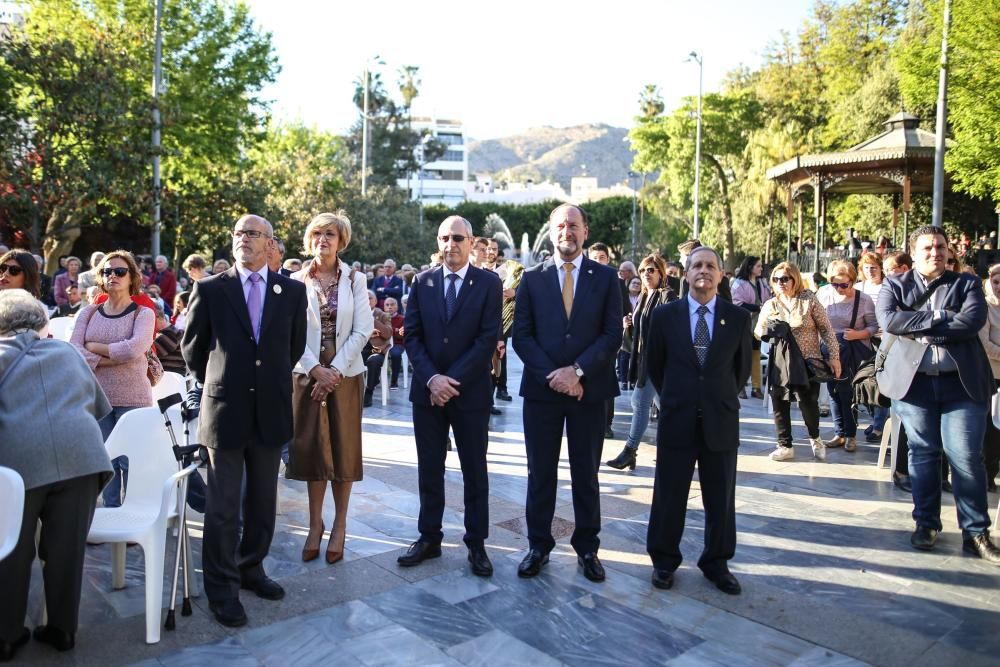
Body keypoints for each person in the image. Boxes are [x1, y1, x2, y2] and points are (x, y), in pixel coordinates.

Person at [181, 214, 308, 627]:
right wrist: (225, 380)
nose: (243, 239)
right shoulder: (211, 289)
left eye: (252, 233)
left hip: (269, 410)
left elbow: (293, 347)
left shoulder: (290, 291)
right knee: (222, 507)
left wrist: (263, 379)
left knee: (262, 503)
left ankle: (252, 568)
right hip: (225, 410)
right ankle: (222, 586)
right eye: (237, 232)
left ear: (270, 243)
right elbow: (193, 350)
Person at [0, 290, 113, 660]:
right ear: (40, 321)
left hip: (19, 463)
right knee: (66, 551)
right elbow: (98, 405)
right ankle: (63, 629)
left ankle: (7, 633)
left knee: (12, 551)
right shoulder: (66, 352)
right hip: (82, 457)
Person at [876, 225, 1000, 563]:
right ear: (913, 253)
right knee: (923, 454)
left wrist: (922, 325)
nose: (936, 253)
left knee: (965, 457)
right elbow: (889, 321)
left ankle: (976, 532)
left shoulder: (967, 283)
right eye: (928, 248)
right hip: (914, 385)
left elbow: (971, 322)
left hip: (962, 385)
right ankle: (926, 524)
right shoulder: (894, 284)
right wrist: (942, 317)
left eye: (941, 247)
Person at [513, 204, 622, 582]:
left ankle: (588, 548)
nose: (567, 232)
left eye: (573, 225)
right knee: (539, 473)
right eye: (560, 225)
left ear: (585, 231)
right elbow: (522, 337)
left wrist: (577, 372)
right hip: (543, 393)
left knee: (586, 475)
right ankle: (538, 545)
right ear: (551, 231)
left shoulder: (607, 279)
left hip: (588, 393)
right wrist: (554, 376)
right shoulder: (531, 278)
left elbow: (612, 335)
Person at [398, 215, 501, 577]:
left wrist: (450, 380)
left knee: (475, 470)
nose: (450, 244)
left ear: (471, 243)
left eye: (458, 238)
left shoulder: (489, 283)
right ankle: (429, 537)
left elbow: (487, 338)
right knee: (429, 468)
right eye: (444, 237)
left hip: (469, 393)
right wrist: (432, 380)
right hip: (427, 394)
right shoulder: (422, 281)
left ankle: (476, 543)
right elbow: (411, 336)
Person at [645, 246, 751, 594]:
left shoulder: (737, 318)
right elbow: (655, 367)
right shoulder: (664, 317)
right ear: (686, 273)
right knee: (668, 494)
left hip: (720, 420)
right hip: (678, 418)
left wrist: (713, 397)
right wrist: (681, 396)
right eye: (696, 266)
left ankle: (716, 562)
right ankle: (663, 561)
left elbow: (740, 372)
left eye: (711, 266)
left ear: (721, 275)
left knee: (720, 497)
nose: (703, 271)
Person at [286, 212, 373, 564]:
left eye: (330, 234)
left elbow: (363, 329)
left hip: (346, 376)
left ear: (342, 241)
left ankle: (339, 526)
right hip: (306, 376)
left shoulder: (355, 279)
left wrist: (333, 371)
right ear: (309, 240)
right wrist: (314, 369)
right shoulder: (293, 281)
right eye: (317, 234)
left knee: (343, 451)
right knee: (311, 451)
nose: (323, 239)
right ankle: (313, 525)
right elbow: (288, 332)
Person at [70, 250, 155, 507]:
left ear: (132, 278)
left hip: (133, 398)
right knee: (105, 461)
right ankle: (111, 512)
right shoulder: (89, 313)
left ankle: (134, 513)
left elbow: (134, 349)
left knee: (130, 461)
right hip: (97, 397)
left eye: (120, 271)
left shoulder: (143, 314)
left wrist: (95, 348)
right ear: (100, 276)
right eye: (108, 271)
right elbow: (75, 350)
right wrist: (112, 356)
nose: (113, 276)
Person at [755, 262, 839, 461]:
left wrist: (834, 356)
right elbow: (758, 331)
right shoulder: (771, 304)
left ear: (795, 279)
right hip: (780, 363)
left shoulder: (808, 299)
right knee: (779, 403)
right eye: (776, 279)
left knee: (808, 404)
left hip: (807, 361)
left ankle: (815, 438)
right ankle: (785, 445)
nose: (780, 283)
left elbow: (826, 329)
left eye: (785, 279)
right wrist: (770, 329)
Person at [606, 254, 677, 471]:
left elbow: (671, 327)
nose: (647, 274)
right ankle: (678, 447)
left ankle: (629, 451)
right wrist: (629, 325)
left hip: (658, 362)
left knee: (639, 403)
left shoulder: (667, 296)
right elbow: (640, 331)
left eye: (652, 270)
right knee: (667, 409)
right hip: (644, 359)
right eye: (644, 270)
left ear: (660, 273)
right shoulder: (645, 297)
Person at [816, 259, 877, 452]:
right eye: (835, 284)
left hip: (853, 350)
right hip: (829, 349)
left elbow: (874, 326)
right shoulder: (824, 294)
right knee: (833, 391)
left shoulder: (864, 299)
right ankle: (839, 433)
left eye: (844, 284)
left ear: (852, 280)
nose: (839, 288)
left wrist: (857, 334)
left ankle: (850, 435)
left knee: (848, 393)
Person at [587, 241, 621, 439]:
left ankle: (607, 422)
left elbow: (621, 307)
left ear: (608, 260)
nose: (598, 261)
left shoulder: (613, 280)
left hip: (607, 344)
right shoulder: (582, 280)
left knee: (606, 381)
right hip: (587, 345)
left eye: (602, 258)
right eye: (595, 258)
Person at [856, 251, 889, 442]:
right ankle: (875, 419)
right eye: (866, 267)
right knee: (863, 382)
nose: (869, 271)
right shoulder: (858, 287)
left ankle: (879, 425)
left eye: (873, 268)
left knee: (879, 383)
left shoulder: (887, 287)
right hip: (861, 340)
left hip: (882, 340)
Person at [731, 256, 772, 399]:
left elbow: (768, 299)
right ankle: (739, 387)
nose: (761, 268)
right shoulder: (739, 283)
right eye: (758, 266)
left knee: (755, 355)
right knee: (742, 356)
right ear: (750, 267)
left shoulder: (763, 283)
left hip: (758, 325)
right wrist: (757, 307)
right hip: (744, 324)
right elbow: (737, 303)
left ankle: (756, 388)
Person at [978, 264, 1000, 493]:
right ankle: (986, 473)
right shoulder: (984, 308)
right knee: (991, 429)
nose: (999, 287)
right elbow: (985, 345)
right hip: (992, 378)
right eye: (996, 282)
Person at [361, 290, 393, 408]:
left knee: (373, 361)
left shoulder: (383, 315)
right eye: (364, 298)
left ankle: (369, 391)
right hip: (359, 348)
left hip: (377, 349)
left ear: (375, 301)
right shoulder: (356, 314)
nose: (367, 300)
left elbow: (388, 333)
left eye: (370, 298)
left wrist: (371, 319)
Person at [153, 302, 186, 375]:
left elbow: (146, 354)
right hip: (168, 379)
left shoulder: (169, 335)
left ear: (155, 317)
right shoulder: (171, 331)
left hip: (170, 380)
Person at [384, 297, 405, 388]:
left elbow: (401, 334)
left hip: (397, 344)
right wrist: (394, 330)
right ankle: (375, 380)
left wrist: (388, 330)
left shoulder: (402, 319)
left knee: (396, 354)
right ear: (384, 307)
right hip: (382, 344)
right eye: (387, 305)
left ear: (397, 306)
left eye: (392, 304)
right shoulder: (381, 317)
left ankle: (394, 381)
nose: (390, 307)